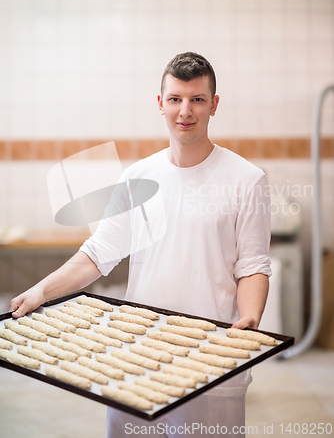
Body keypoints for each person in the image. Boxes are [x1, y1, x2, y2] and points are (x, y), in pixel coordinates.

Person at [10, 52, 271, 438]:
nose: (186, 110)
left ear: (214, 105)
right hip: (137, 358)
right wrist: (40, 292)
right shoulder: (138, 178)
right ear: (160, 103)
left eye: (197, 99)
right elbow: (98, 254)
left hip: (211, 361)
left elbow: (252, 265)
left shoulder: (246, 179)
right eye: (176, 99)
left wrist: (249, 320)